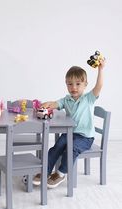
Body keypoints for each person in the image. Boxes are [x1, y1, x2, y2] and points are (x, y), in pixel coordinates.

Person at [33, 59, 106, 188]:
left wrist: (100, 69)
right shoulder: (66, 100)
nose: (74, 87)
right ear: (66, 85)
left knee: (71, 149)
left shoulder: (88, 98)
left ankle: (61, 174)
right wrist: (48, 103)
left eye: (78, 84)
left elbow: (99, 86)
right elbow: (56, 104)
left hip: (85, 137)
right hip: (70, 133)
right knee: (57, 147)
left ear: (85, 84)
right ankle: (45, 171)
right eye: (70, 84)